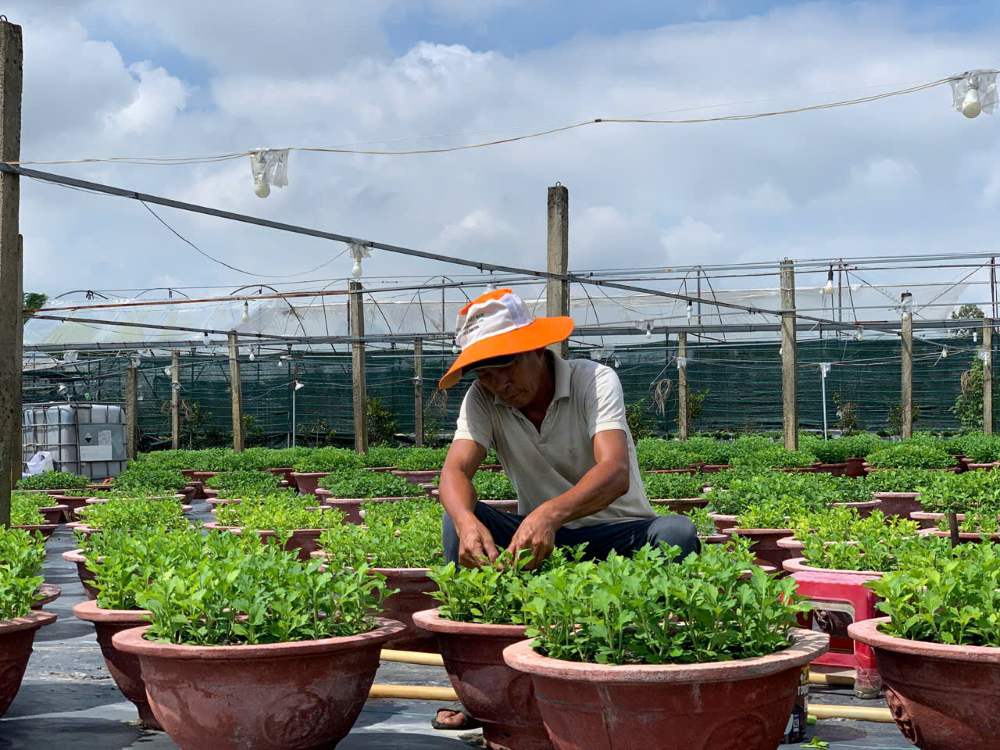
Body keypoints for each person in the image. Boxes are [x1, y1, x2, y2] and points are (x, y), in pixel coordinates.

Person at [436, 287, 700, 571]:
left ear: (536, 348)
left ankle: (658, 614)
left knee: (676, 534)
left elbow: (615, 471)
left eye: (508, 367)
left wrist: (549, 513)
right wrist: (466, 522)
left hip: (619, 532)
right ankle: (468, 610)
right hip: (541, 542)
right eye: (486, 374)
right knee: (458, 517)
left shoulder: (592, 380)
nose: (500, 384)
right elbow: (456, 471)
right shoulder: (481, 398)